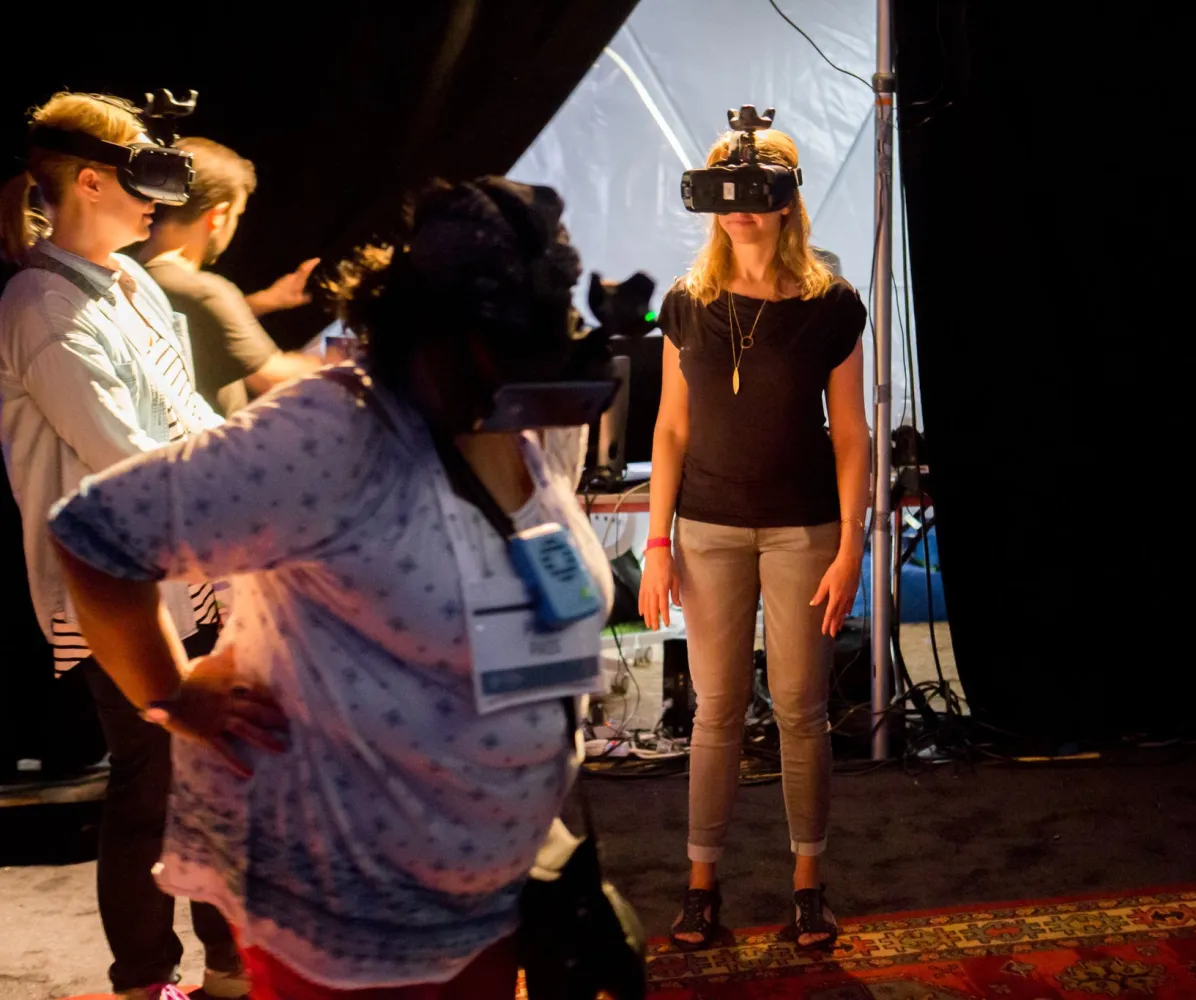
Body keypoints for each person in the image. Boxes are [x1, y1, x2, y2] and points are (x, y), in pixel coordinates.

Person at [49, 175, 613, 998]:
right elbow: (96, 533)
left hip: (499, 889)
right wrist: (170, 695)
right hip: (350, 909)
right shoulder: (334, 430)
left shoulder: (521, 416)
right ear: (435, 327)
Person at [0, 92, 243, 1000]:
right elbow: (124, 453)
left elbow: (185, 413)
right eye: (143, 176)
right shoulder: (40, 301)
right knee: (152, 784)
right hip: (117, 590)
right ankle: (147, 982)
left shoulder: (132, 283)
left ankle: (229, 969)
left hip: (188, 570)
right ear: (90, 180)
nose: (159, 201)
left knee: (214, 778)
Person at [637, 128, 870, 951]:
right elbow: (670, 429)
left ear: (786, 198)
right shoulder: (686, 302)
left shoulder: (831, 305)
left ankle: (808, 885)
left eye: (755, 188)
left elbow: (852, 435)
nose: (738, 207)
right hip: (706, 531)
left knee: (802, 709)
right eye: (722, 189)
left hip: (804, 530)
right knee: (717, 711)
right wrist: (655, 542)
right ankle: (701, 886)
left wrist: (852, 545)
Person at [138, 137, 322, 417]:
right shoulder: (205, 291)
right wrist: (349, 355)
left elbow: (196, 320)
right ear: (219, 215)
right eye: (237, 214)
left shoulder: (130, 269)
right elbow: (277, 379)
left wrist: (264, 301)